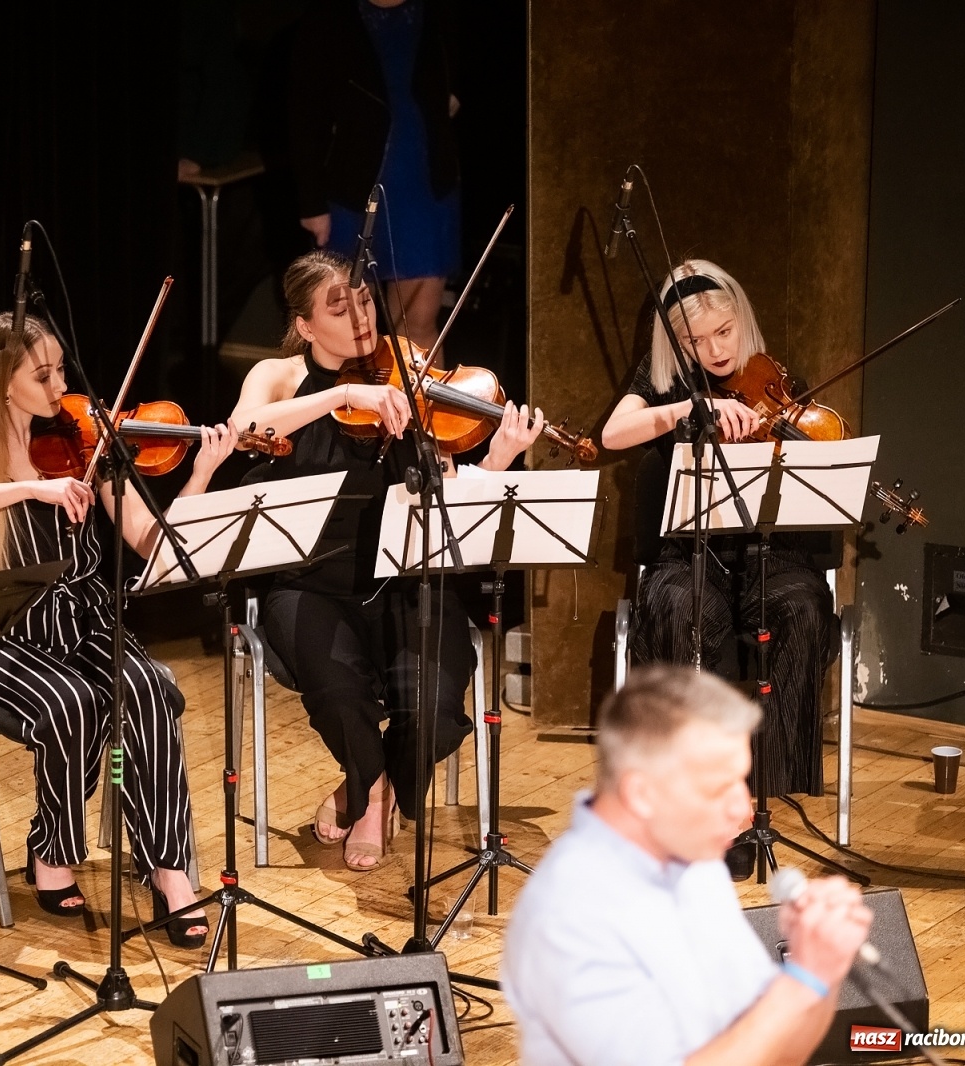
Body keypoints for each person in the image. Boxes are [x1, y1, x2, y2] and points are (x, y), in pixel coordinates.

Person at [0, 312, 234, 948]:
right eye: (44, 374)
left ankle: (170, 871)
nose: (62, 385)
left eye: (63, 368)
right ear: (5, 384)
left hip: (85, 620)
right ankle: (52, 847)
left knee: (146, 687)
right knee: (73, 702)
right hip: (3, 633)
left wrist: (202, 472)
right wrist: (27, 491)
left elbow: (153, 541)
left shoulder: (85, 444)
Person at [229, 249, 541, 870]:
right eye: (338, 307)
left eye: (366, 298)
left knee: (433, 703)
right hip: (310, 586)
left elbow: (449, 488)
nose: (361, 315)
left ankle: (367, 785)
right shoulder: (278, 376)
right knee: (340, 692)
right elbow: (245, 429)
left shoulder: (406, 372)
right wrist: (343, 392)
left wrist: (500, 456)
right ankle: (374, 797)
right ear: (305, 325)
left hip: (406, 580)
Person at [502, 665, 873, 1066]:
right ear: (641, 794)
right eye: (718, 788)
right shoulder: (569, 915)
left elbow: (773, 1048)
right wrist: (804, 980)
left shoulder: (697, 863)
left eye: (743, 783)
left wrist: (823, 966)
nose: (743, 812)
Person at [602, 260, 838, 876]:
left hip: (768, 549)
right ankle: (711, 803)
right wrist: (681, 412)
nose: (712, 351)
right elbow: (612, 433)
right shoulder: (662, 384)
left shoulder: (776, 380)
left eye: (723, 333)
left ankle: (759, 791)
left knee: (802, 607)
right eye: (693, 341)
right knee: (686, 608)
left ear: (743, 323)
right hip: (688, 552)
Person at [288, 0, 463, 353]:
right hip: (350, 185)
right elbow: (303, 115)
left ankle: (421, 409)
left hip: (422, 182)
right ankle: (355, 407)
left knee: (419, 322)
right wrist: (311, 202)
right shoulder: (327, 18)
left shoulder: (439, 13)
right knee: (349, 327)